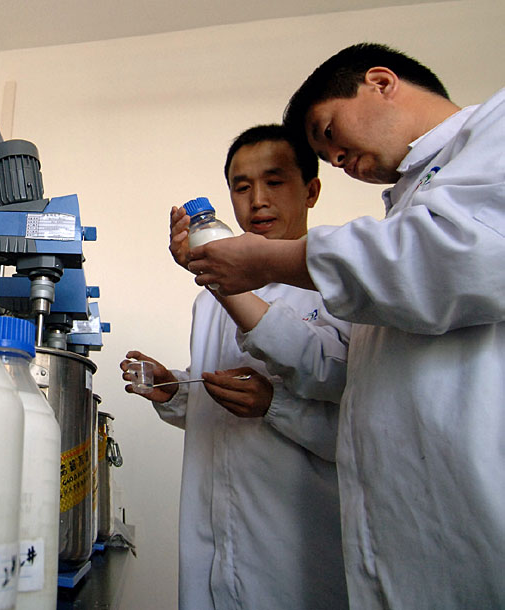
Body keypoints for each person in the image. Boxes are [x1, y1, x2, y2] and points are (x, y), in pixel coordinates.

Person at [186, 43, 505, 609]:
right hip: (410, 532)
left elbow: (463, 256)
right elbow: (353, 382)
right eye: (324, 151)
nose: (335, 157)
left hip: (467, 520)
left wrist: (270, 262)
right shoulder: (408, 205)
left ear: (380, 82)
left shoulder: (495, 130)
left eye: (329, 132)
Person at [122, 124, 350, 610]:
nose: (258, 201)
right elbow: (221, 407)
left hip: (299, 548)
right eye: (242, 187)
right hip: (211, 539)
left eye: (275, 181)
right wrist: (176, 390)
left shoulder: (336, 288)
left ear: (311, 191)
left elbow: (355, 422)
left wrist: (275, 405)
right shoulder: (209, 302)